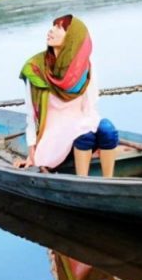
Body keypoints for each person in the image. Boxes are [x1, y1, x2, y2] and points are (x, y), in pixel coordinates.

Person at [15, 14, 119, 176]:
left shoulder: (85, 68)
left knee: (108, 130)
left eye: (59, 28)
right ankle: (81, 182)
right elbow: (31, 115)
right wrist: (32, 153)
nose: (51, 30)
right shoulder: (35, 68)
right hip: (54, 132)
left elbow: (90, 107)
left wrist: (99, 139)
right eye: (53, 26)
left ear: (72, 39)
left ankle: (109, 181)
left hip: (81, 122)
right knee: (84, 134)